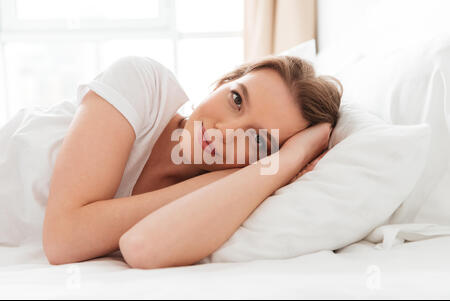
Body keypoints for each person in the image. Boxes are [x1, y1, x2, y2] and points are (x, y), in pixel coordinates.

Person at [0, 54, 342, 268]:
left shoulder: (230, 198)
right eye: (236, 99)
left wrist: (289, 160)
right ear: (222, 83)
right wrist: (214, 181)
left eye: (256, 140)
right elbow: (64, 239)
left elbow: (142, 247)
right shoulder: (144, 84)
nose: (225, 130)